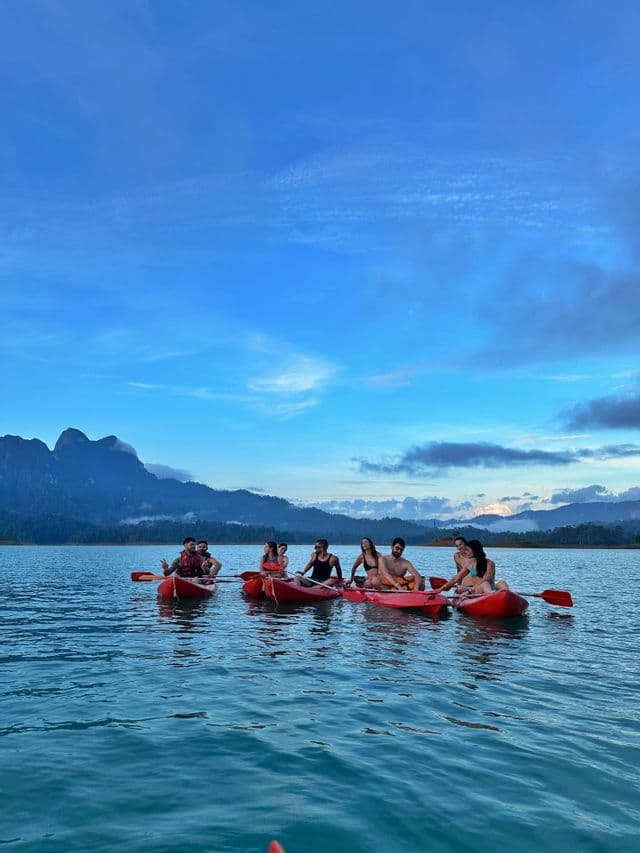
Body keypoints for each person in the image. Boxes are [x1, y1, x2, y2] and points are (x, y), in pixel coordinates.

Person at [437, 539, 508, 595]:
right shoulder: (470, 564)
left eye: (467, 550)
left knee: (502, 583)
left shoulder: (490, 563)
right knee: (461, 588)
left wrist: (469, 591)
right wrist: (442, 588)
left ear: (475, 551)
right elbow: (457, 577)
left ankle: (504, 597)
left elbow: (485, 580)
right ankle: (491, 596)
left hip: (486, 588)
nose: (465, 552)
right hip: (476, 589)